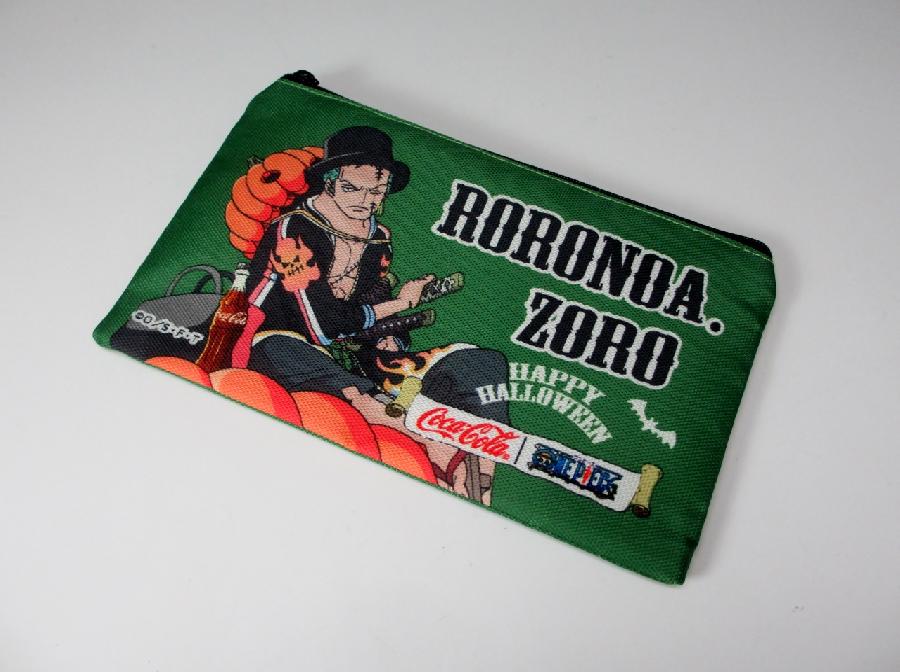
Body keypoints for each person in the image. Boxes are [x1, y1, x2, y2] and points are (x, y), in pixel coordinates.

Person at [232, 126, 509, 503]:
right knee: (299, 356)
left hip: (354, 362)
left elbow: (370, 302)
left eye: (377, 191)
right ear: (330, 182)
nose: (366, 200)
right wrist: (399, 305)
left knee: (478, 363)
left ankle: (481, 472)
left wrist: (390, 336)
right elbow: (322, 325)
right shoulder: (293, 229)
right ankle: (436, 450)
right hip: (275, 346)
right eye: (352, 188)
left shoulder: (378, 239)